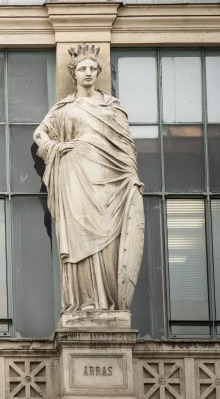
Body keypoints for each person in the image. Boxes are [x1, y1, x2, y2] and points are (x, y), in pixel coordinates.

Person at [34, 44, 144, 313]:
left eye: (92, 69)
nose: (87, 73)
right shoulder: (63, 108)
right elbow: (40, 135)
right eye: (82, 68)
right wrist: (56, 148)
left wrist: (130, 176)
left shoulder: (112, 107)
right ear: (74, 73)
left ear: (98, 72)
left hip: (109, 181)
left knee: (108, 243)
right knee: (81, 236)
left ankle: (107, 301)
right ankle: (85, 300)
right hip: (75, 179)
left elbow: (126, 145)